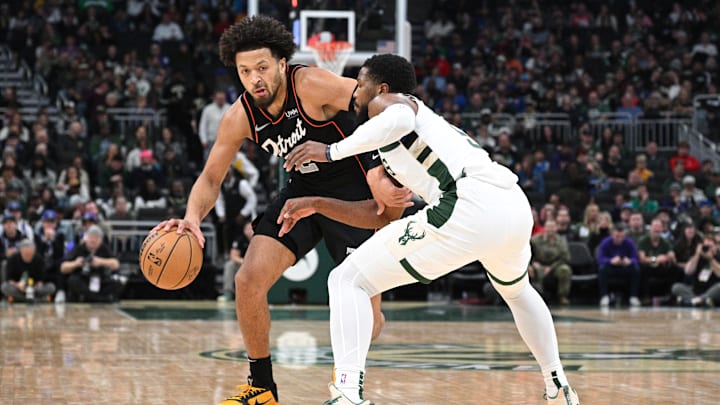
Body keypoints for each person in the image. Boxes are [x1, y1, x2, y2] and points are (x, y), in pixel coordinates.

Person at [280, 54, 579, 405]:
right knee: (517, 291)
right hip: (511, 204)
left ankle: (347, 392)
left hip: (468, 204)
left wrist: (331, 152)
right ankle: (557, 386)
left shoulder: (389, 104)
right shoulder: (409, 130)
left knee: (347, 280)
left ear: (382, 87)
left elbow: (400, 116)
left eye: (360, 83)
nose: (356, 92)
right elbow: (384, 207)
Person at [150, 16, 406, 405]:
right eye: (245, 71)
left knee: (370, 319)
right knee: (247, 281)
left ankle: (346, 381)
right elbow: (210, 178)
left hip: (355, 196)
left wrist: (381, 170)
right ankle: (261, 387)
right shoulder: (240, 116)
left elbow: (383, 107)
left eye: (262, 68)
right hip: (300, 193)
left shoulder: (312, 84)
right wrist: (191, 218)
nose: (255, 79)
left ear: (283, 64)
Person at [60, 225, 122, 302]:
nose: (93, 240)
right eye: (91, 237)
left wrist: (101, 262)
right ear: (86, 238)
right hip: (83, 279)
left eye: (96, 238)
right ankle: (100, 299)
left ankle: (94, 298)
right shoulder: (79, 248)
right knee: (72, 280)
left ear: (101, 240)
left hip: (100, 279)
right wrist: (76, 263)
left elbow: (116, 264)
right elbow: (63, 267)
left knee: (117, 282)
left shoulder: (104, 248)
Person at [529, 219, 573, 305]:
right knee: (538, 270)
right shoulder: (535, 240)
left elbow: (565, 258)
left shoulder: (562, 241)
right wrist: (532, 263)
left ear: (556, 228)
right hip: (538, 264)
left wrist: (551, 267)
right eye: (548, 227)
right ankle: (538, 297)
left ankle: (562, 296)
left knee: (565, 270)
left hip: (555, 266)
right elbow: (527, 253)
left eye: (552, 227)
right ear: (544, 228)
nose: (550, 229)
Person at [595, 224, 641, 307]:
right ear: (612, 234)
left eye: (621, 236)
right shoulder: (605, 242)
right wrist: (610, 261)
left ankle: (633, 296)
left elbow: (635, 258)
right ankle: (604, 296)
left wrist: (630, 261)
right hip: (611, 266)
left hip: (624, 267)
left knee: (636, 268)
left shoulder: (629, 242)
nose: (619, 238)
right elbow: (600, 258)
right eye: (617, 236)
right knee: (602, 269)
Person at [671, 236, 720, 307]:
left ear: (715, 246)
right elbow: (688, 271)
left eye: (710, 246)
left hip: (712, 290)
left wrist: (710, 259)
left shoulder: (718, 257)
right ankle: (700, 300)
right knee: (676, 287)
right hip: (696, 290)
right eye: (705, 247)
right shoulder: (697, 258)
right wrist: (697, 254)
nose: (707, 249)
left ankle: (696, 301)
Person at [218, 221, 253, 302]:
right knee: (229, 265)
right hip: (242, 264)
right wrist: (245, 262)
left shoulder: (260, 240)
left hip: (257, 265)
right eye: (247, 229)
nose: (249, 231)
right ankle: (228, 293)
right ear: (244, 230)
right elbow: (233, 256)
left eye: (251, 229)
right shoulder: (240, 239)